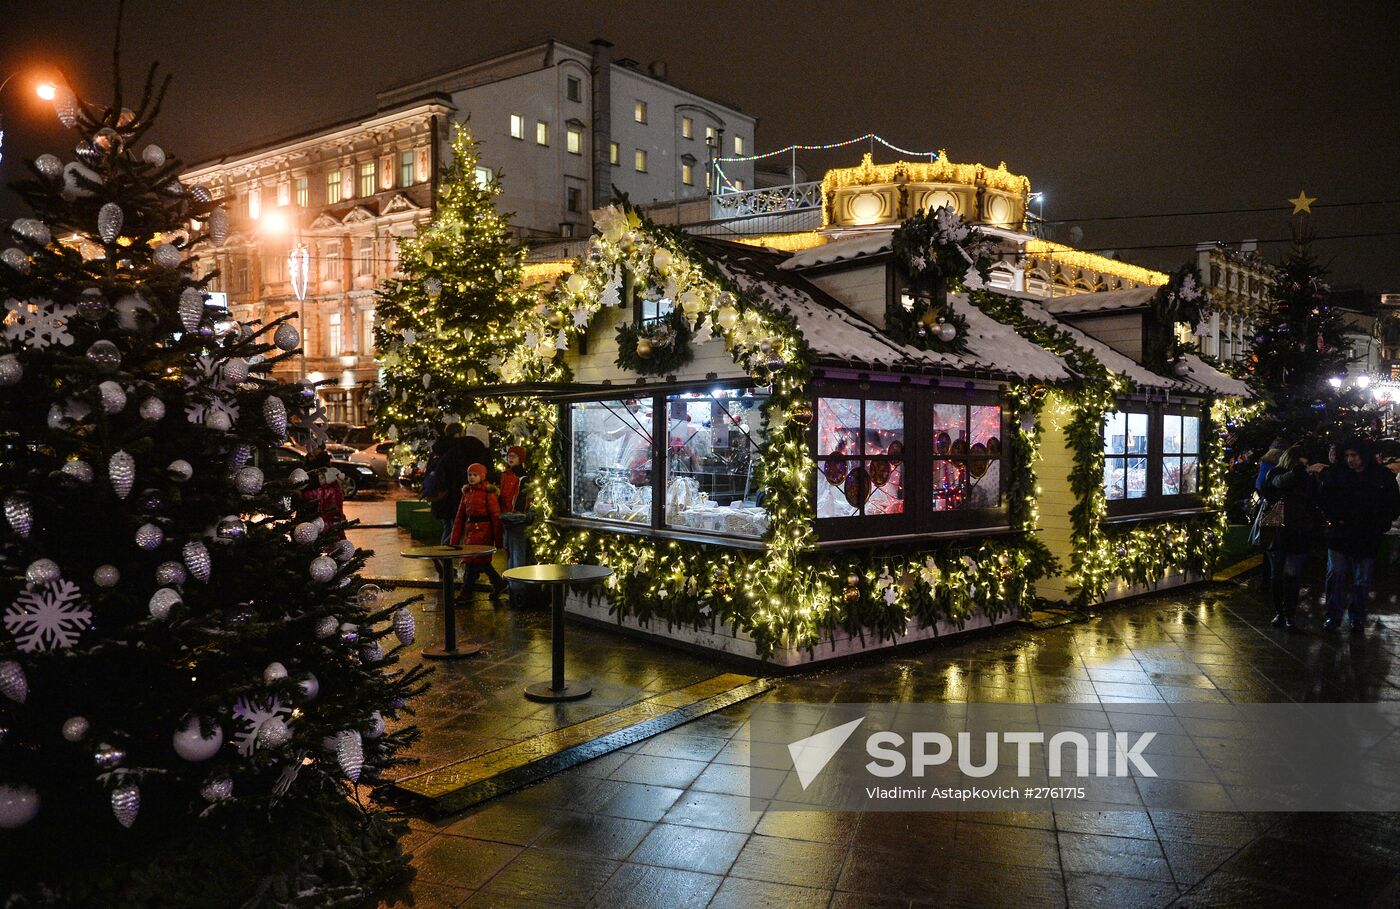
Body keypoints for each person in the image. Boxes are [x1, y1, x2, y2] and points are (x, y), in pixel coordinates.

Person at [1319, 436, 1400, 635]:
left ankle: (1356, 618)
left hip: (1366, 534)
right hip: (1342, 533)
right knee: (1337, 574)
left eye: (1354, 455)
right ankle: (1334, 615)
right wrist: (1336, 518)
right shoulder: (1338, 475)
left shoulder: (1381, 477)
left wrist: (1380, 523)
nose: (1350, 460)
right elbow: (1325, 499)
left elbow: (1392, 504)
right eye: (1347, 456)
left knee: (1361, 580)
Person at [1259, 446, 1319, 631]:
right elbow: (1275, 485)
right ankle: (1280, 612)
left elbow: (1313, 499)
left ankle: (1289, 613)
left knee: (1292, 575)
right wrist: (1299, 473)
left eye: (1306, 464)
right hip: (1278, 531)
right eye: (1300, 463)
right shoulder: (1277, 473)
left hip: (1298, 531)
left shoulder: (1309, 480)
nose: (1304, 466)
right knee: (1277, 575)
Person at [449, 463, 505, 601]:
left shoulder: (488, 493)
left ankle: (466, 592)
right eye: (470, 475)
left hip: (484, 532)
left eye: (475, 475)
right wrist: (454, 539)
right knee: (476, 562)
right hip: (470, 532)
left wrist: (498, 540)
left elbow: (495, 516)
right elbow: (459, 517)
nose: (472, 478)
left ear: (482, 476)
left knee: (475, 561)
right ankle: (499, 583)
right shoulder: (467, 493)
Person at [427, 423, 469, 544]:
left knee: (448, 527)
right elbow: (456, 473)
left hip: (439, 495)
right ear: (458, 433)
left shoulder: (437, 448)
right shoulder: (456, 449)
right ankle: (442, 555)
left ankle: (445, 559)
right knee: (455, 529)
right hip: (451, 496)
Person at [301, 467, 347, 540]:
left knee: (333, 538)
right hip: (324, 518)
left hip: (331, 519)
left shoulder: (333, 491)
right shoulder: (322, 489)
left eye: (322, 478)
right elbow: (312, 494)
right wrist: (303, 493)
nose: (320, 480)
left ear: (328, 478)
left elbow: (335, 505)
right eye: (320, 478)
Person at [500, 445, 529, 514]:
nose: (511, 458)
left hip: (514, 514)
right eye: (509, 456)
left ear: (520, 459)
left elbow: (522, 499)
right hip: (503, 512)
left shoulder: (523, 477)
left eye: (514, 456)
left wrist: (517, 512)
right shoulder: (504, 474)